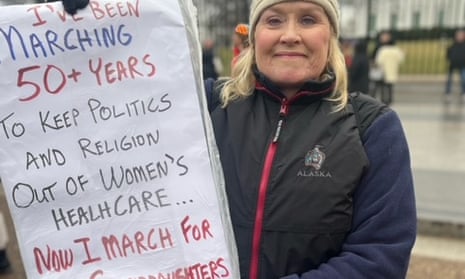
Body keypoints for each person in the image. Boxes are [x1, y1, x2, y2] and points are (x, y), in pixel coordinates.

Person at [65, 1, 417, 278]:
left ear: (331, 36)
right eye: (274, 20)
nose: (290, 35)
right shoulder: (206, 106)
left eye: (309, 19)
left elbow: (380, 258)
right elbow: (110, 112)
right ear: (253, 36)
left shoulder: (373, 127)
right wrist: (87, 28)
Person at [373, 31, 404, 105]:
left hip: (384, 70)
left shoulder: (383, 49)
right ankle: (386, 100)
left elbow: (378, 60)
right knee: (384, 86)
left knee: (386, 86)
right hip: (386, 70)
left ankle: (386, 100)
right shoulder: (380, 47)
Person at [444, 29, 465, 103]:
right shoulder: (453, 45)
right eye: (458, 36)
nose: (459, 37)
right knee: (449, 79)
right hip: (453, 64)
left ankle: (463, 92)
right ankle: (448, 93)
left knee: (463, 79)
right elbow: (448, 54)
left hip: (462, 64)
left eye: (460, 35)